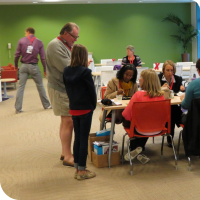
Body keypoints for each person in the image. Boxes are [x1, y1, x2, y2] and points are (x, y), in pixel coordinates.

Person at [46, 22, 79, 167]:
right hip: (60, 89)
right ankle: (67, 156)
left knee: (65, 121)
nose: (76, 40)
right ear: (65, 33)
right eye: (74, 36)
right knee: (68, 122)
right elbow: (68, 69)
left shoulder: (64, 44)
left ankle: (64, 151)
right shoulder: (55, 45)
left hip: (65, 88)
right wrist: (81, 65)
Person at [63, 44, 96, 180]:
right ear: (84, 56)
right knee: (83, 139)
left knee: (77, 138)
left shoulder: (66, 71)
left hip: (73, 108)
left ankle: (77, 166)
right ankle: (82, 171)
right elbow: (92, 92)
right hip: (86, 108)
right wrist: (93, 106)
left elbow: (67, 89)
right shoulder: (86, 72)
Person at [122, 69, 165, 163]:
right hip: (158, 128)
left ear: (145, 80)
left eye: (141, 77)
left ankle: (135, 148)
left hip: (141, 129)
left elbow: (126, 115)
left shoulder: (138, 95)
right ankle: (140, 148)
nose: (139, 78)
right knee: (147, 121)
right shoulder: (161, 96)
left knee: (128, 121)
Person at [14, 27, 51, 114]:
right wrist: (45, 69)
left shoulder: (21, 41)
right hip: (34, 67)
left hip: (23, 66)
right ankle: (47, 105)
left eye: (25, 33)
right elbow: (43, 58)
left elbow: (17, 55)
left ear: (28, 32)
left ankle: (18, 109)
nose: (25, 34)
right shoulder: (39, 42)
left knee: (21, 87)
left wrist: (16, 65)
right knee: (40, 85)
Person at [158, 60, 185, 147]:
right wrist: (161, 88)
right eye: (167, 70)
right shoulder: (158, 78)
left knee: (172, 111)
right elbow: (154, 92)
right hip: (160, 105)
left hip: (173, 104)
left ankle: (170, 137)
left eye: (171, 70)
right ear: (163, 70)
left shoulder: (178, 79)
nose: (170, 73)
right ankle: (181, 122)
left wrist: (182, 89)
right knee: (173, 112)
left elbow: (180, 92)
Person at [180, 58, 200, 124]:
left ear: (197, 70)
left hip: (195, 121)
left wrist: (183, 99)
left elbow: (185, 105)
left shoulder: (193, 84)